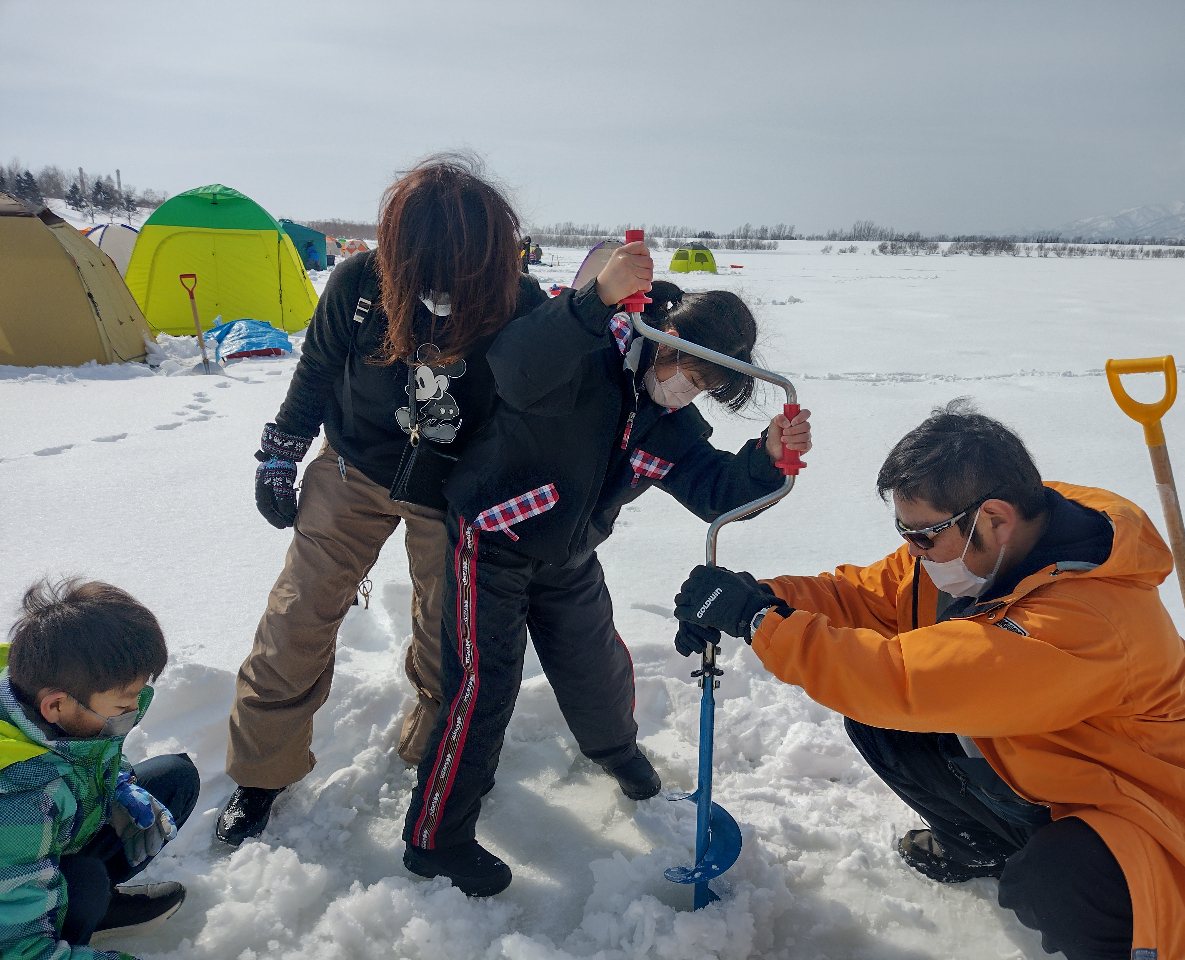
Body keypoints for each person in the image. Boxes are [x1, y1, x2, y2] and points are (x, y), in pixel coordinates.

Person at [671, 400, 1185, 960]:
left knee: (1055, 879)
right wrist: (766, 597)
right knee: (884, 727)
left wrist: (758, 624)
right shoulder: (988, 549)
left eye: (923, 535)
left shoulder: (1086, 619)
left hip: (1164, 837)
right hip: (1054, 771)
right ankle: (984, 848)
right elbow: (868, 597)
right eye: (905, 533)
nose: (912, 551)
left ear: (994, 518)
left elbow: (902, 680)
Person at [399, 245, 814, 897]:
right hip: (491, 537)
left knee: (596, 665)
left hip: (568, 554)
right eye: (688, 366)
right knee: (484, 684)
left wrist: (764, 458)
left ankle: (616, 752)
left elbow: (715, 490)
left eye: (705, 384)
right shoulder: (584, 350)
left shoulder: (672, 426)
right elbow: (514, 365)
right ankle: (435, 838)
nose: (687, 386)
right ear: (666, 332)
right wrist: (593, 302)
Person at [218, 154, 546, 845]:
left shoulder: (519, 300)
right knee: (296, 616)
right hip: (354, 467)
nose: (439, 284)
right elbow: (315, 370)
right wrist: (282, 448)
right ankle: (259, 774)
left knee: (446, 629)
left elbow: (541, 405)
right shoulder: (358, 283)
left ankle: (434, 750)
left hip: (454, 489)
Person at [0, 578, 201, 957]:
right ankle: (74, 922)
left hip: (53, 836)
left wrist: (121, 783)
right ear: (56, 706)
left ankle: (89, 903)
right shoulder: (17, 802)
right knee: (86, 883)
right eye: (123, 708)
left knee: (175, 778)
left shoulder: (53, 700)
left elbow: (88, 755)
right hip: (14, 906)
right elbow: (19, 953)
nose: (133, 714)